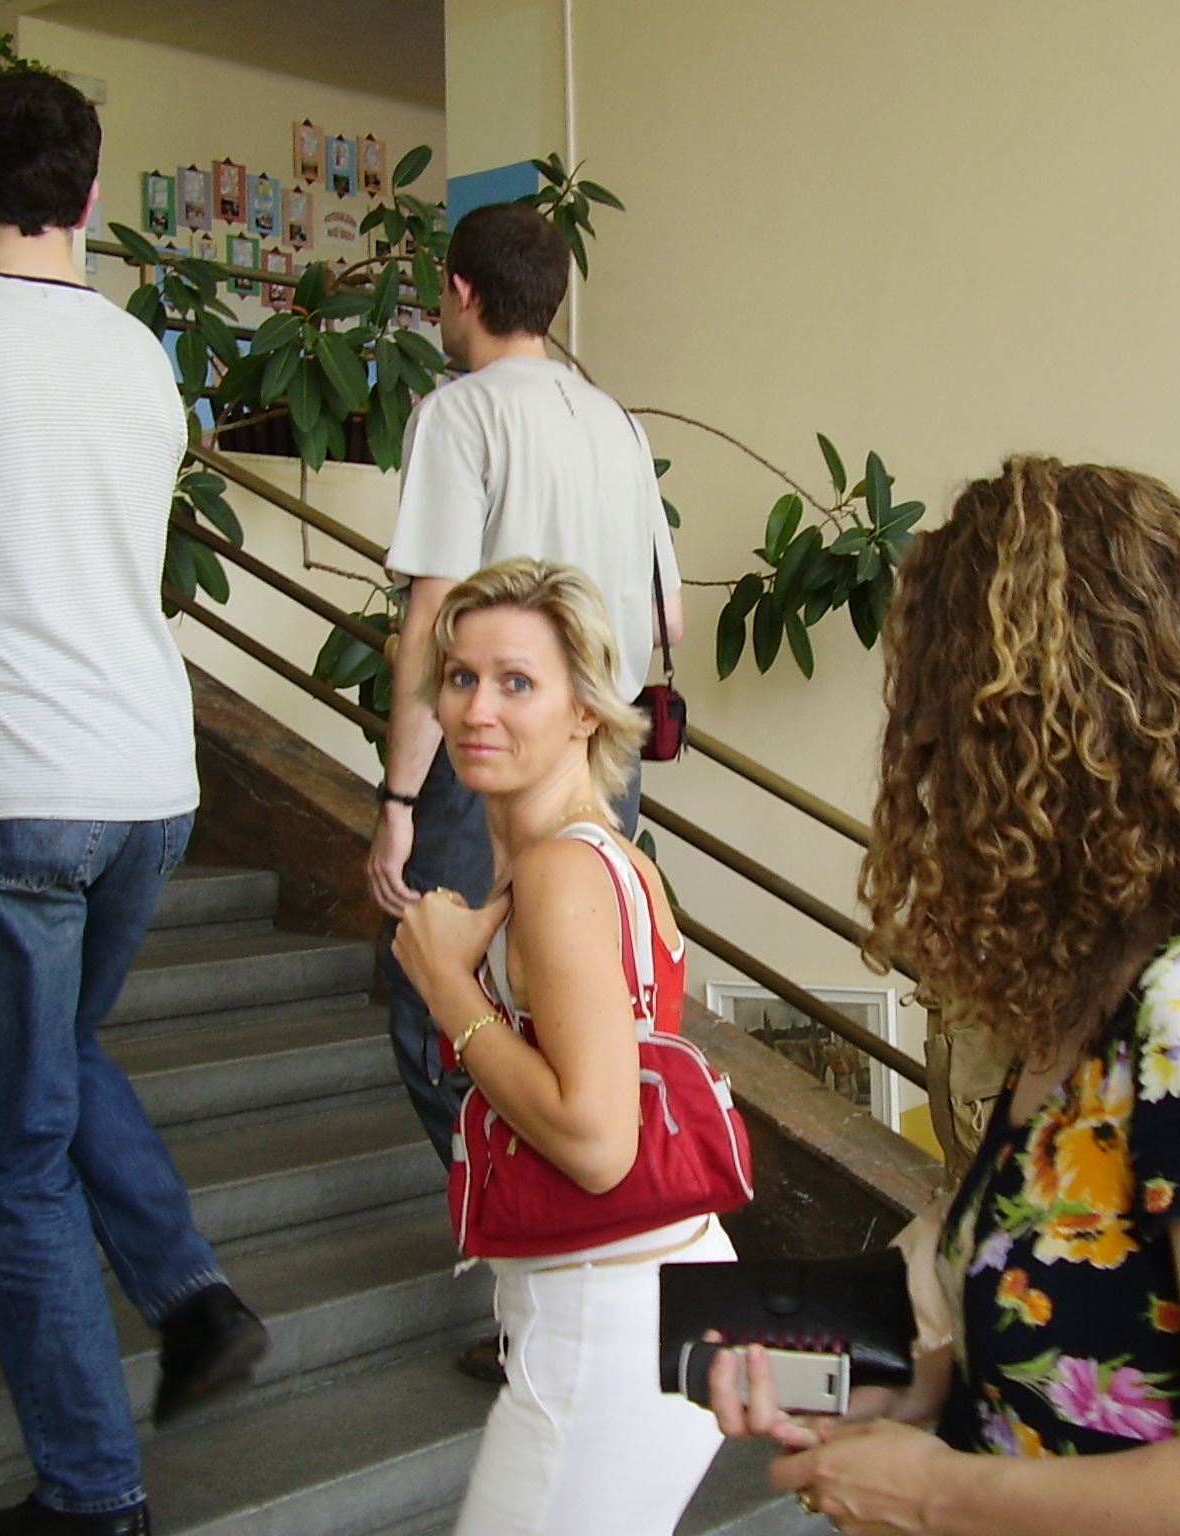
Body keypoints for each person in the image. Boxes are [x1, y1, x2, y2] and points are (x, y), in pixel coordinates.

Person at [711, 456, 1180, 1536]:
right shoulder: (1079, 1025)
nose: (918, 767)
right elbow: (1087, 1354)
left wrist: (933, 1496)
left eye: (937, 723)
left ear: (1024, 740)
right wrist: (900, 1393)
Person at [0, 72, 266, 1536]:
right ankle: (192, 1298)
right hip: (148, 780)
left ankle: (92, 1499)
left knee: (9, 1162)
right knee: (59, 1052)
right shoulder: (140, 356)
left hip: (10, 798)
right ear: (87, 195)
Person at [391, 558, 737, 1536]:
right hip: (640, 1302)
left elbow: (595, 1141)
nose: (476, 710)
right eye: (460, 677)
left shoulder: (559, 875)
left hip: (605, 1329)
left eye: (517, 682)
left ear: (586, 708)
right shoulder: (610, 858)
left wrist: (445, 986)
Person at [368, 199, 681, 1275]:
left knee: (433, 998)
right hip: (600, 754)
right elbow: (666, 615)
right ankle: (563, 1235)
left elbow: (433, 620)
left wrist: (399, 800)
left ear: (461, 291)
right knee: (570, 1009)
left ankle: (532, 1240)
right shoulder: (615, 423)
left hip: (495, 767)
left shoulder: (459, 415)